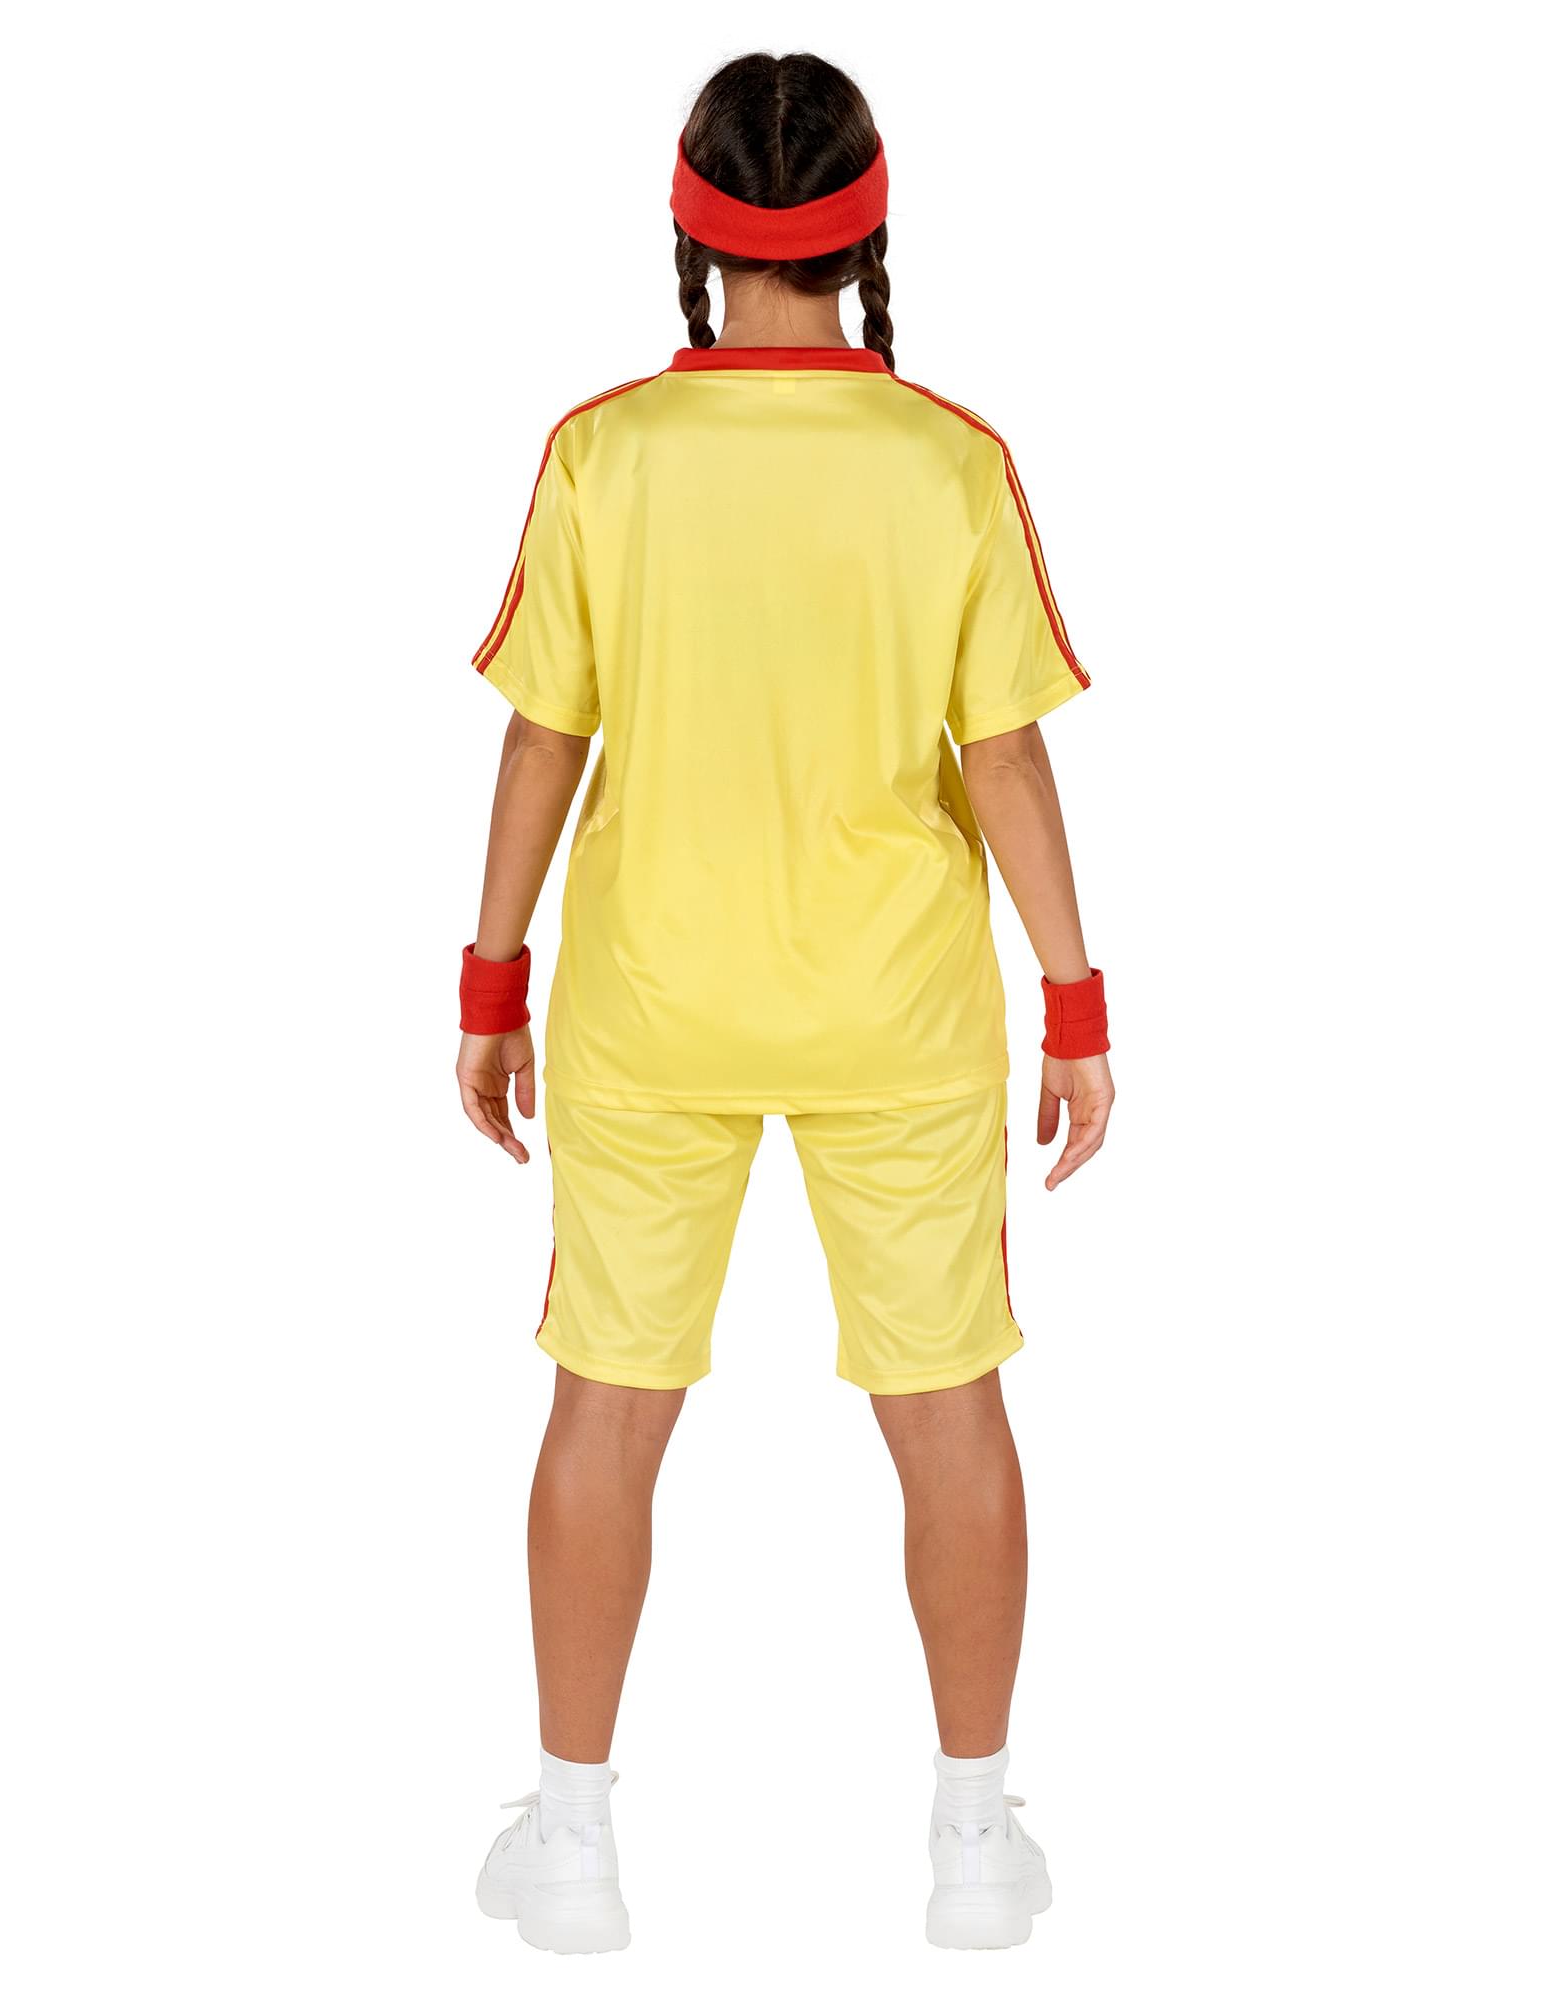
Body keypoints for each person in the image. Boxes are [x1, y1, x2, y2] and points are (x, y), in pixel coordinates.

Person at [458, 52, 1113, 1954]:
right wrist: (1076, 1002)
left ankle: (571, 1847)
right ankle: (975, 1847)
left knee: (607, 1405)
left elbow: (541, 739)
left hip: (651, 1007)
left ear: (692, 231)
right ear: (867, 226)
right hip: (894, 1017)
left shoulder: (605, 454)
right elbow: (1007, 757)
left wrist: (490, 979)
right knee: (949, 1407)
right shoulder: (950, 463)